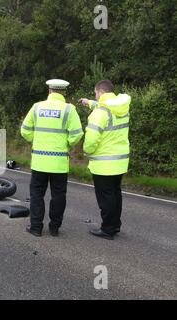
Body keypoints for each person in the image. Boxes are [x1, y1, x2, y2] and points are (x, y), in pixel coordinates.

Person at [21, 79, 84, 237]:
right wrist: (67, 144)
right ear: (64, 92)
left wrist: (35, 140)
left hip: (39, 162)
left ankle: (36, 227)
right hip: (59, 163)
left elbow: (25, 130)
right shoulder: (69, 110)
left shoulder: (37, 107)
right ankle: (54, 228)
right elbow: (77, 134)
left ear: (49, 91)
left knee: (36, 195)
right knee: (58, 196)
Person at [80, 80, 131, 240]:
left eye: (95, 94)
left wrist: (86, 151)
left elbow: (90, 142)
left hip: (104, 164)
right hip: (120, 162)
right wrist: (89, 103)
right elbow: (104, 108)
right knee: (115, 193)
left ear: (100, 93)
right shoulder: (121, 109)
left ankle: (107, 229)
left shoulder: (99, 114)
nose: (95, 96)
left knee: (106, 197)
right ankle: (115, 225)